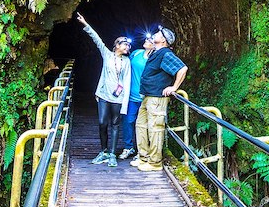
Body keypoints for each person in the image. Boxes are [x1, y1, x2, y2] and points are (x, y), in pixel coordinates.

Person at [77, 12, 131, 167]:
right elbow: (97, 40)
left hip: (118, 98)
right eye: (124, 44)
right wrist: (86, 24)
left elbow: (126, 82)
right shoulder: (107, 55)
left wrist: (125, 103)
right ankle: (104, 151)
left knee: (115, 124)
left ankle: (112, 154)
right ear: (117, 45)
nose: (127, 47)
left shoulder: (127, 62)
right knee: (102, 123)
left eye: (128, 45)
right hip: (103, 95)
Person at [133, 26, 188, 171]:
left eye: (158, 33)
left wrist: (174, 87)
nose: (154, 34)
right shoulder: (155, 52)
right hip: (147, 95)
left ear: (163, 40)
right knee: (141, 125)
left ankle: (155, 162)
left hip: (157, 98)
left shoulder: (165, 54)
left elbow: (182, 69)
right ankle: (143, 157)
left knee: (155, 128)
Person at [119, 36, 154, 160]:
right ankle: (128, 147)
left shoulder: (155, 58)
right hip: (131, 96)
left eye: (150, 40)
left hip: (146, 97)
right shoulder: (136, 53)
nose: (146, 40)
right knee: (128, 121)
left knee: (144, 124)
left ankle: (143, 150)